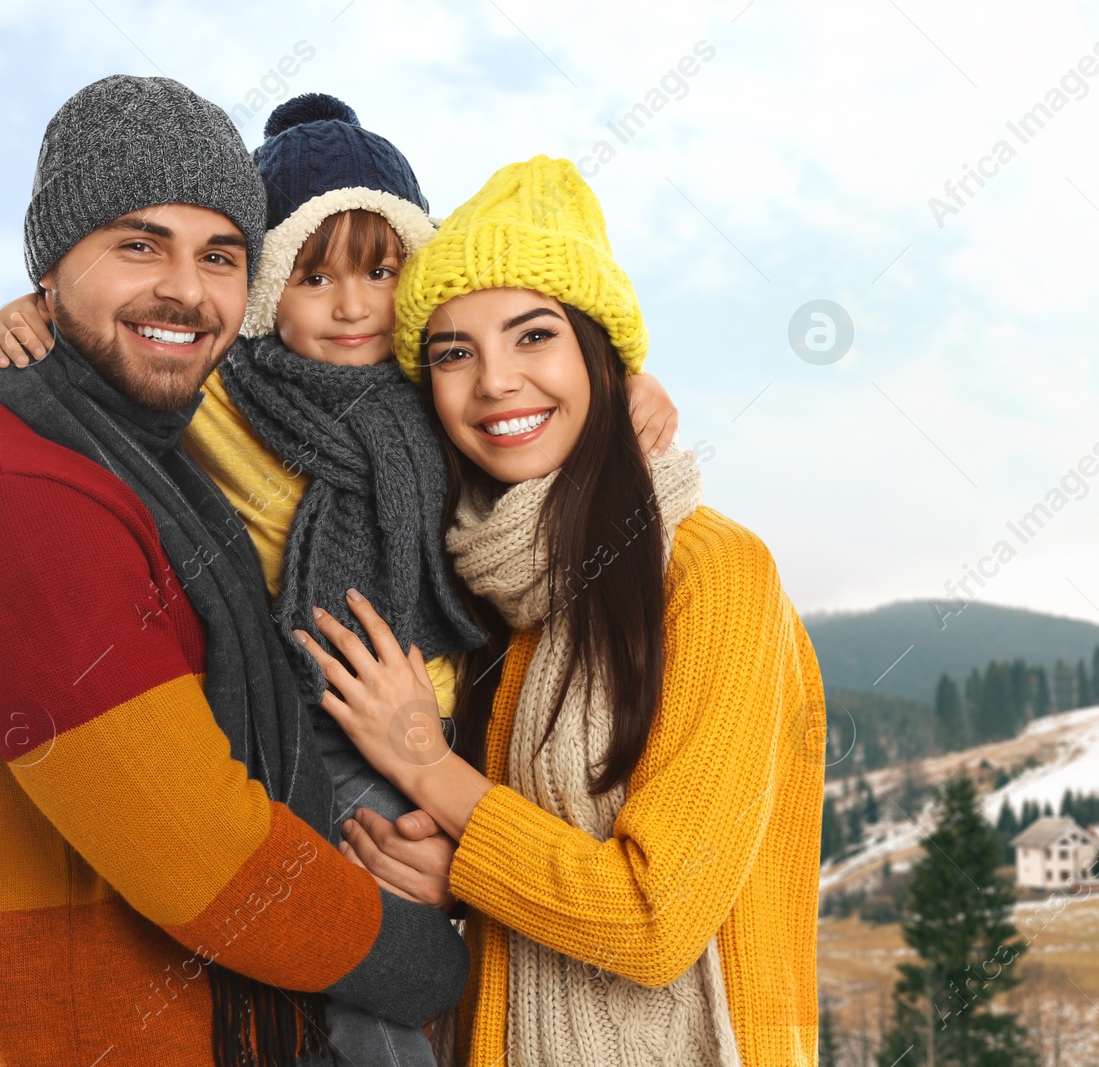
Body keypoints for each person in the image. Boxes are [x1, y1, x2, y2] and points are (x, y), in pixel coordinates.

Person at [0, 92, 680, 1066]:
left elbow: (534, 405)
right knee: (367, 975)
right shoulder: (228, 390)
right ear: (267, 290)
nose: (352, 306)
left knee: (447, 952)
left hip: (452, 722)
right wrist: (38, 314)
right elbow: (133, 358)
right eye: (312, 276)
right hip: (313, 720)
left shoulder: (434, 396)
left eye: (381, 271)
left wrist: (631, 377)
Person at [0, 75, 467, 1067]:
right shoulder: (21, 503)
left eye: (220, 255)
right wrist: (449, 958)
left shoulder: (138, 450)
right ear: (48, 269)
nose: (186, 289)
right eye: (138, 243)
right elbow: (217, 864)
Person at [296, 156, 828, 1065]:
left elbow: (656, 923)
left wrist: (427, 766)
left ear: (603, 357)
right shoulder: (495, 586)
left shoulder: (714, 572)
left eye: (533, 335)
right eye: (453, 352)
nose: (495, 381)